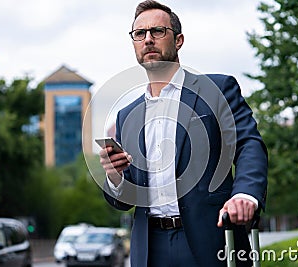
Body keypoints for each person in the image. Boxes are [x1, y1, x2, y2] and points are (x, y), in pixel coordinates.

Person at [98, 1, 268, 266]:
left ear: (178, 40)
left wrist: (244, 194)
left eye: (157, 31)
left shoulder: (218, 89)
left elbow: (248, 144)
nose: (148, 39)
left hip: (212, 240)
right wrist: (114, 175)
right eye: (139, 34)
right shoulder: (126, 117)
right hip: (149, 250)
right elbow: (124, 200)